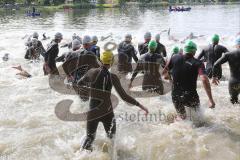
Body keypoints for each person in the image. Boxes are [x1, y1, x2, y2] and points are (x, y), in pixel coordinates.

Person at [76, 50, 149, 151]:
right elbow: (124, 96)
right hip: (107, 112)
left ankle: (80, 156)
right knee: (112, 140)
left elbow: (79, 84)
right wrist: (141, 106)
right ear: (111, 62)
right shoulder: (113, 77)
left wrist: (90, 92)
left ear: (100, 60)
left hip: (93, 111)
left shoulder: (91, 72)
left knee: (89, 138)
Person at [162, 40, 215, 120]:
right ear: (194, 51)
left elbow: (164, 73)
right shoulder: (198, 63)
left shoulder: (174, 57)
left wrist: (170, 77)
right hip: (190, 95)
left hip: (175, 95)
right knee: (198, 119)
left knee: (181, 117)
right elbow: (204, 79)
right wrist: (210, 99)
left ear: (185, 50)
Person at [212, 38, 240, 104]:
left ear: (237, 45)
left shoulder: (229, 54)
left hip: (234, 81)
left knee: (234, 102)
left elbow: (215, 64)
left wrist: (214, 77)